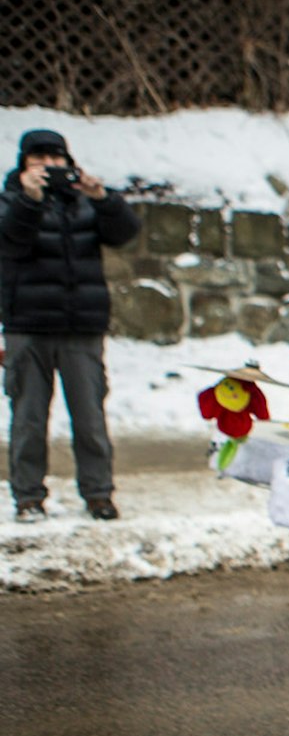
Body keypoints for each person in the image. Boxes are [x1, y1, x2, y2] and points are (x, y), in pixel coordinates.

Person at [2, 128, 140, 522]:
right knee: (28, 419)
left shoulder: (84, 202)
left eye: (55, 158)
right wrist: (30, 199)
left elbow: (125, 233)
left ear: (68, 161)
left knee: (90, 419)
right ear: (24, 164)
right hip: (27, 326)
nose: (48, 165)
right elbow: (12, 240)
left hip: (81, 326)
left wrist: (104, 199)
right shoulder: (10, 200)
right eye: (38, 159)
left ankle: (99, 494)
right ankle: (28, 498)